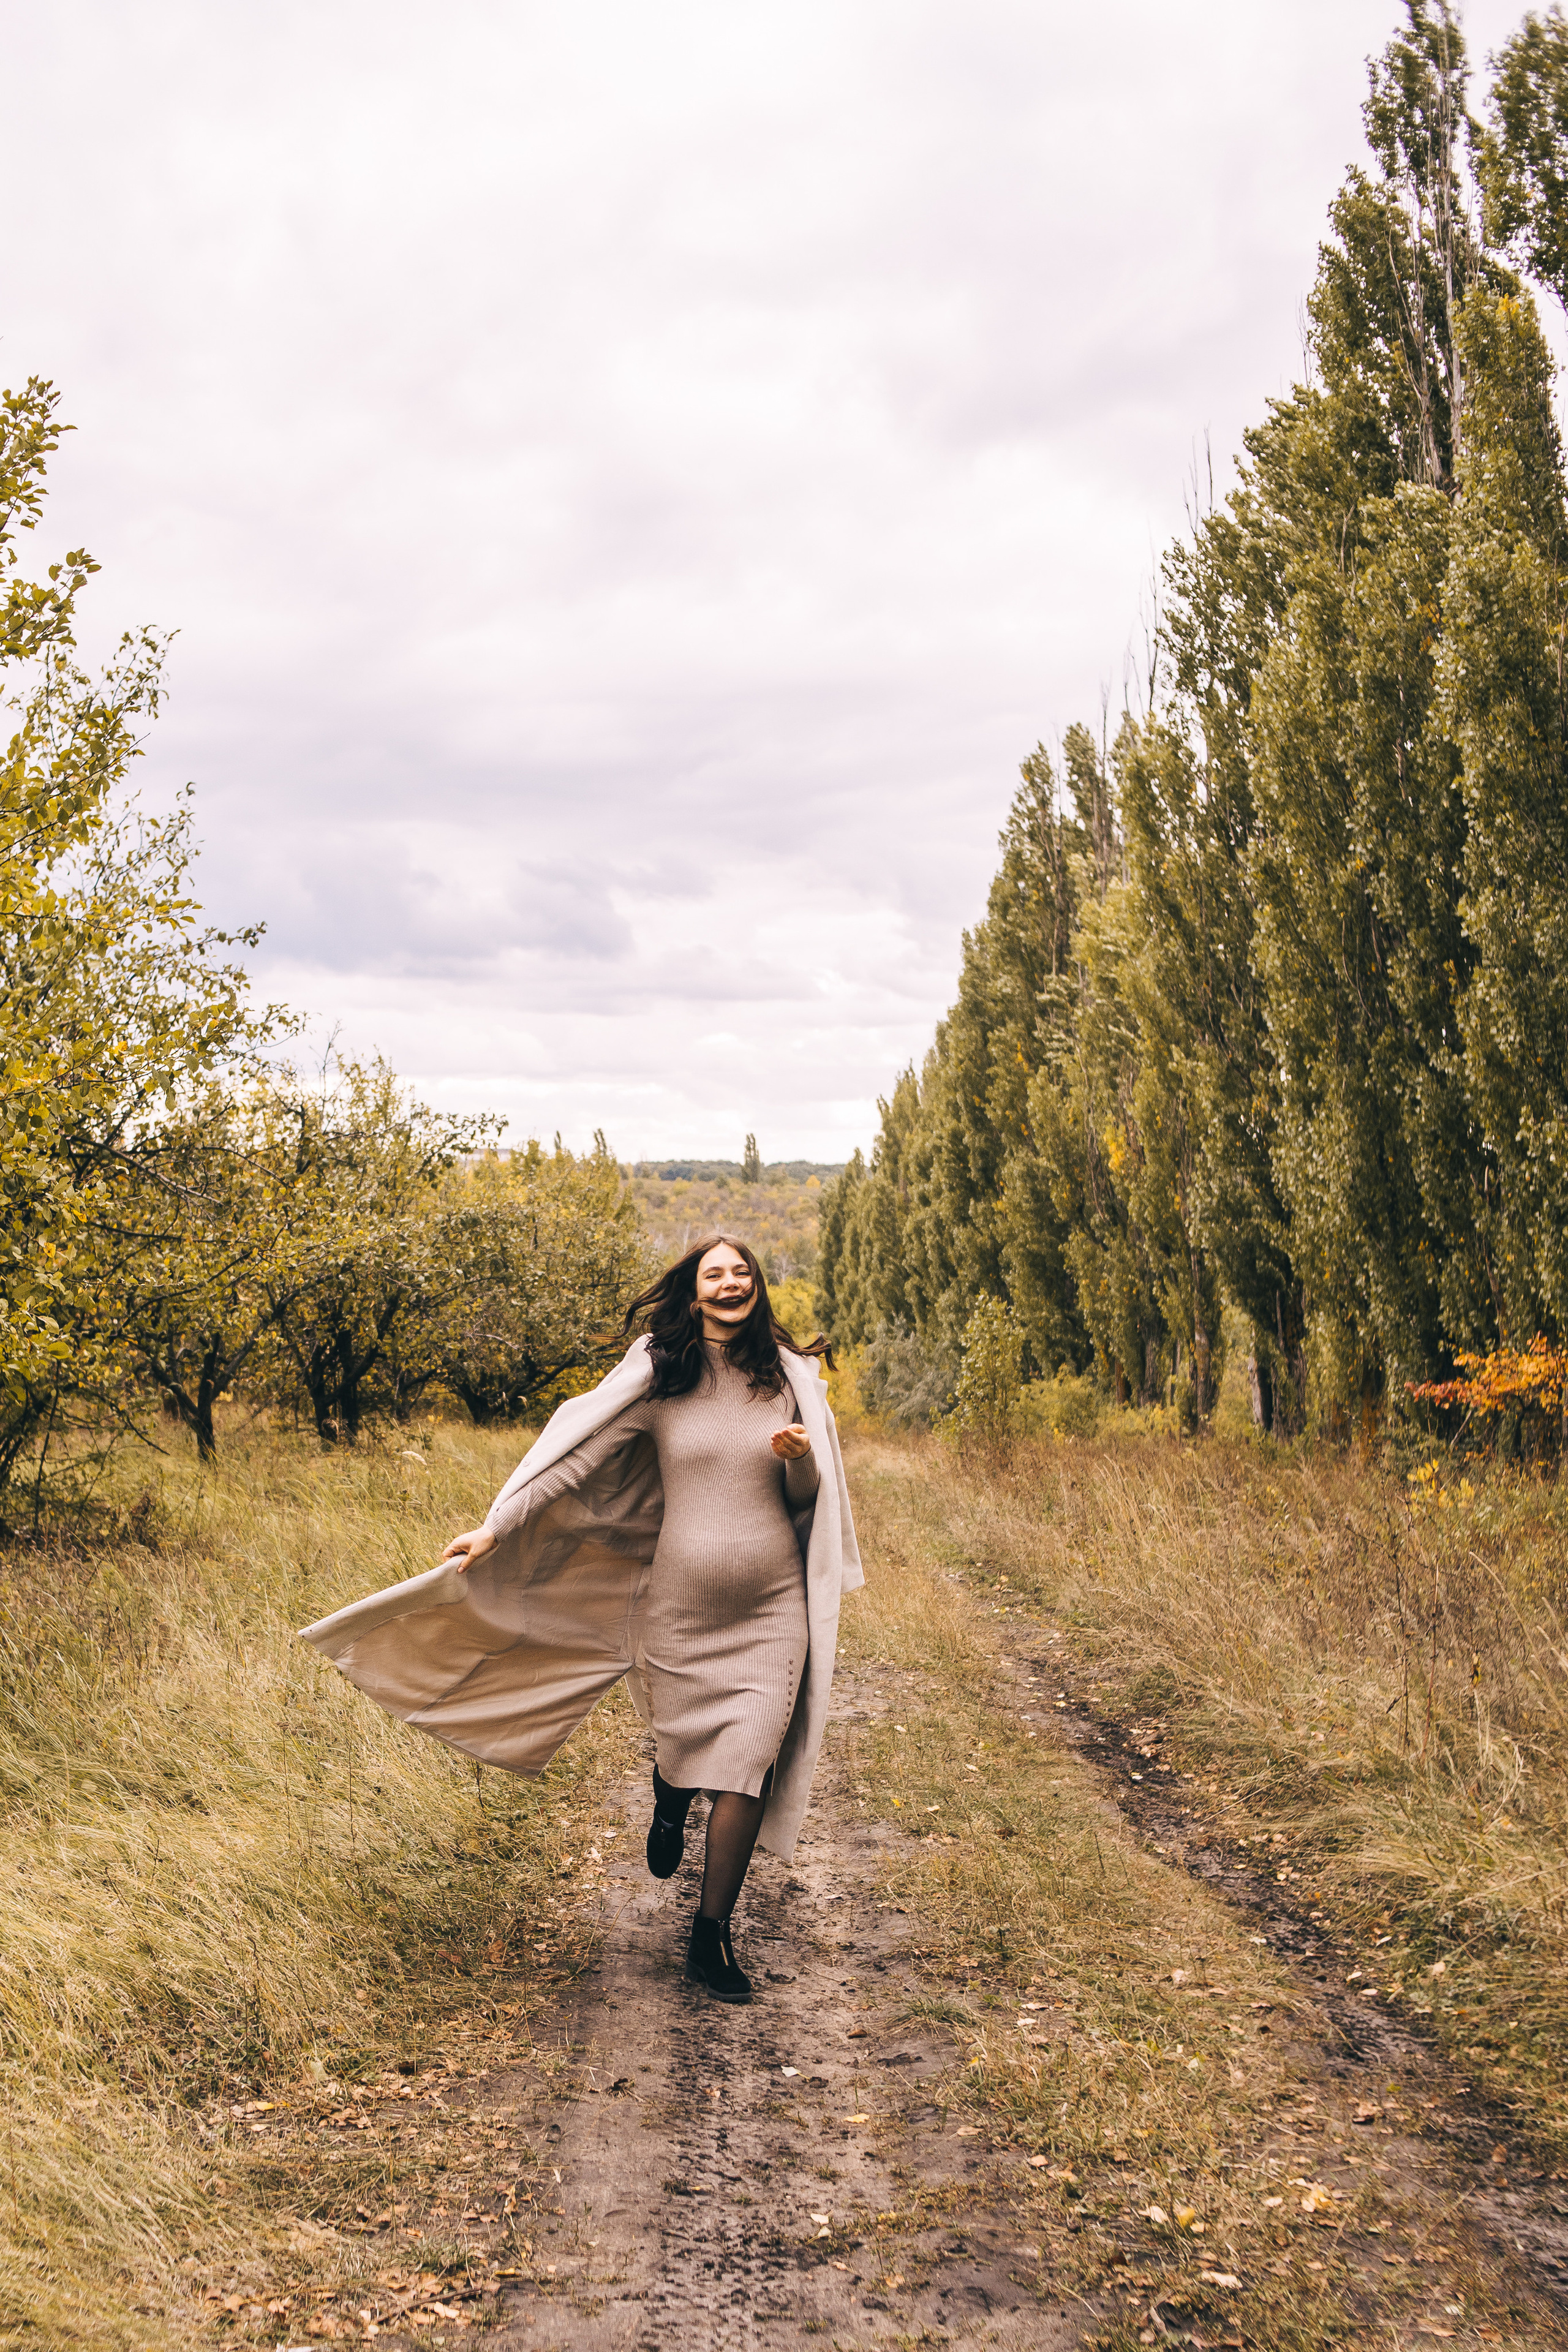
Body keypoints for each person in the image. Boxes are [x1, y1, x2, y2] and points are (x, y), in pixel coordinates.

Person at [300, 1236, 862, 2007]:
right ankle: (669, 1786)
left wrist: (800, 1459)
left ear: (758, 1288)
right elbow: (574, 1458)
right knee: (688, 1750)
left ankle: (711, 1933)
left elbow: (806, 1507)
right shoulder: (662, 1379)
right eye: (715, 1275)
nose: (731, 1285)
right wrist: (497, 1526)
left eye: (743, 1274)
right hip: (679, 1610)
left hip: (771, 1612)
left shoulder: (788, 1382)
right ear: (693, 1294)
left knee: (746, 1769)